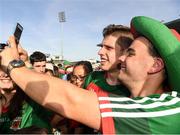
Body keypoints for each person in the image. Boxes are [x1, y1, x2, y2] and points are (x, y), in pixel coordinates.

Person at [1, 16, 180, 134]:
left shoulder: (170, 109)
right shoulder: (96, 80)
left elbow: (70, 100)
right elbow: (63, 96)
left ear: (156, 65)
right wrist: (25, 65)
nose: (122, 58)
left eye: (130, 53)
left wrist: (13, 65)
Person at [83, 24, 133, 97]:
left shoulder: (131, 89)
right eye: (101, 46)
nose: (100, 52)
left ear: (126, 53)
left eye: (109, 48)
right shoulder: (92, 77)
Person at [0, 69, 53, 133]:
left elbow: (44, 130)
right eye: (2, 69)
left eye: (8, 70)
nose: (6, 75)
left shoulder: (33, 101)